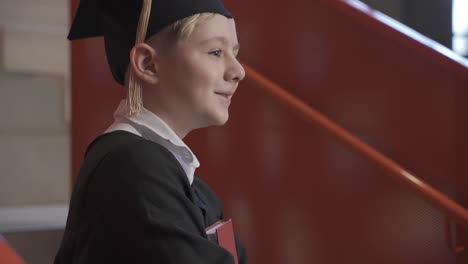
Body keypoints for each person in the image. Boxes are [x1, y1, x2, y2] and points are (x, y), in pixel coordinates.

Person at [54, 0, 247, 263]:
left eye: (235, 53)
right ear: (147, 64)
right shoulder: (131, 168)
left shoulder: (189, 185)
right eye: (215, 52)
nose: (239, 71)